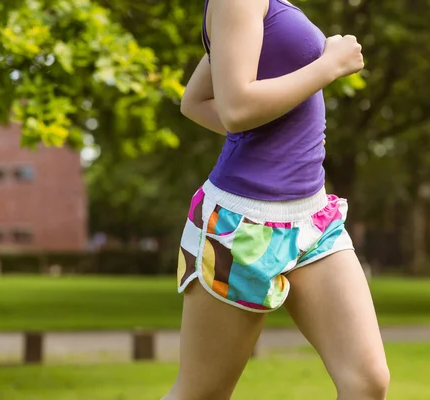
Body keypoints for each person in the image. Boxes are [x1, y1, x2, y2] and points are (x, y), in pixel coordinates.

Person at [162, 0, 389, 399]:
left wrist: (278, 142)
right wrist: (328, 66)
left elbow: (195, 101)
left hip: (314, 220)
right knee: (201, 394)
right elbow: (235, 108)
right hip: (242, 223)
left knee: (366, 382)